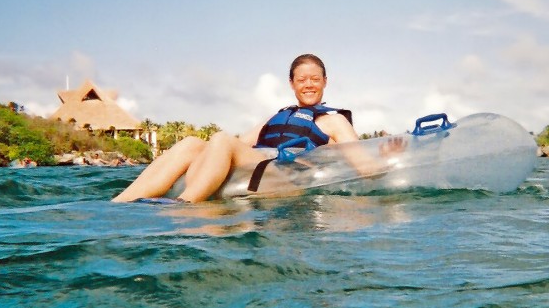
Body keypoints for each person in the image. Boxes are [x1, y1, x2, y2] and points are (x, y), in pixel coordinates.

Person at [112, 54, 391, 203]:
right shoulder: (278, 116)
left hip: (290, 178)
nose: (308, 84)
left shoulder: (334, 120)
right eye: (301, 79)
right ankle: (122, 203)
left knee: (222, 139)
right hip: (260, 169)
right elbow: (234, 145)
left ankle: (184, 206)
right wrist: (200, 154)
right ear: (291, 84)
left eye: (315, 79)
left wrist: (389, 155)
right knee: (191, 144)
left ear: (325, 82)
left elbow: (364, 166)